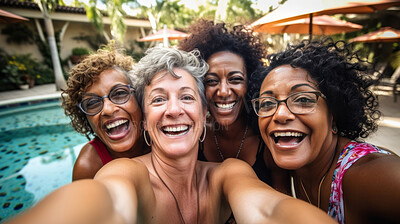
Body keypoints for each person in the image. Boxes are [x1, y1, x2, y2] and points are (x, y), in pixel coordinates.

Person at [5, 47, 336, 224]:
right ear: (145, 122)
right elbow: (107, 201)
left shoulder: (229, 173)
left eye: (187, 97)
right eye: (159, 98)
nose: (174, 110)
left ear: (205, 116)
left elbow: (268, 210)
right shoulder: (123, 173)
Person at [249, 39, 400, 224]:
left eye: (303, 100)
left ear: (334, 114)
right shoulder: (279, 159)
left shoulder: (373, 176)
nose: (280, 114)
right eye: (267, 103)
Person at [179, 19, 289, 194]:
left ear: (251, 84)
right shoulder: (191, 137)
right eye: (212, 81)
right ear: (199, 86)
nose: (223, 91)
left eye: (235, 79)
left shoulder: (266, 140)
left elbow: (284, 204)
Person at [61, 43, 149, 181]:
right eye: (92, 103)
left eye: (119, 93)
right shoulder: (88, 167)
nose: (108, 109)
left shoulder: (160, 138)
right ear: (85, 118)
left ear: (139, 97)